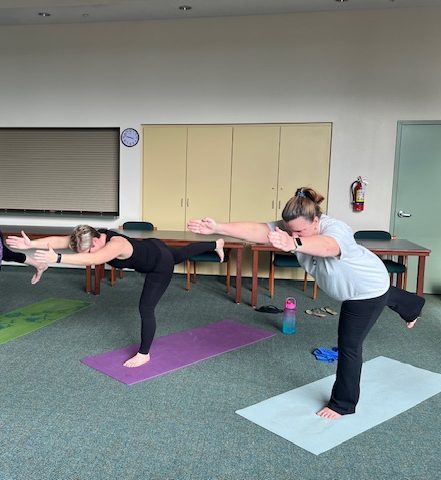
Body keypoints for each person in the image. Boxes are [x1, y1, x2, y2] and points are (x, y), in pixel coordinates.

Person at [187, 187, 425, 419]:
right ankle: (411, 306)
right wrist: (218, 227)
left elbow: (329, 246)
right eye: (291, 232)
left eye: (300, 232)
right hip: (361, 281)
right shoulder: (295, 228)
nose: (294, 235)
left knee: (349, 346)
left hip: (365, 291)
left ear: (316, 221)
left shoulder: (335, 229)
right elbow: (259, 230)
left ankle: (343, 404)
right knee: (386, 295)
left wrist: (294, 245)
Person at [6, 225, 225, 368]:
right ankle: (216, 244)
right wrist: (31, 244)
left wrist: (59, 258)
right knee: (180, 252)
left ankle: (144, 353)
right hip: (153, 246)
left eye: (87, 250)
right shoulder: (94, 234)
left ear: (94, 242)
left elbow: (94, 259)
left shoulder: (115, 245)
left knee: (146, 308)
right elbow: (62, 240)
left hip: (158, 265)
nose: (86, 252)